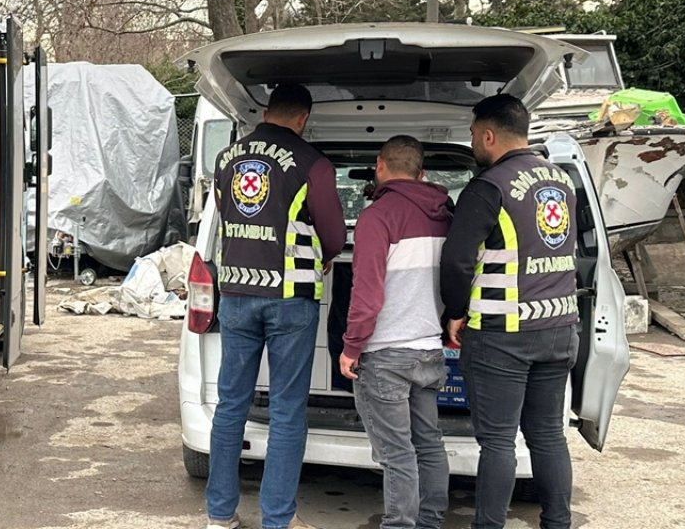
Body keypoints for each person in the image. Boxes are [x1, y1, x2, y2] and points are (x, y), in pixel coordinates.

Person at [207, 83, 346, 529]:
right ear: (303, 119)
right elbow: (335, 236)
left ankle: (219, 515)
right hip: (290, 299)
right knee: (287, 410)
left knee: (230, 406)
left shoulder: (227, 158)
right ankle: (277, 519)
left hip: (235, 293)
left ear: (266, 112)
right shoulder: (311, 163)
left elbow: (225, 212)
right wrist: (322, 256)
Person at [439, 94, 580, 529]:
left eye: (472, 136)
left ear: (488, 134)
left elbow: (458, 260)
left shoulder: (489, 187)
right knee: (548, 436)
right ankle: (557, 523)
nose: (473, 143)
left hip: (503, 333)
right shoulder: (561, 181)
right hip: (559, 326)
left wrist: (455, 311)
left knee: (498, 442)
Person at [338, 136, 452, 529]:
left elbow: (367, 293)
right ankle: (430, 521)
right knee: (429, 443)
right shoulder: (445, 214)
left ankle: (401, 525)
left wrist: (352, 346)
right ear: (422, 174)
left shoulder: (378, 217)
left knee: (396, 453)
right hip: (429, 349)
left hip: (386, 353)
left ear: (379, 166)